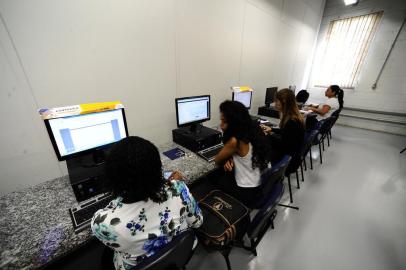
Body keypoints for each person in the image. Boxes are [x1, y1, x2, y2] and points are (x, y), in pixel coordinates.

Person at [91, 136, 203, 269]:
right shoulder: (179, 189)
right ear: (158, 170)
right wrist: (174, 184)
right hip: (181, 254)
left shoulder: (102, 223)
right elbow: (198, 221)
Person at [211, 100, 271, 208]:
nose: (221, 125)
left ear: (234, 123)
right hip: (259, 184)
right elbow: (245, 154)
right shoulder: (253, 128)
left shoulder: (235, 141)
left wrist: (226, 157)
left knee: (212, 178)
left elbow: (217, 160)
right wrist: (230, 158)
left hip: (247, 192)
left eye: (224, 121)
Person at [261, 89, 305, 174]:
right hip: (291, 155)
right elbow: (286, 132)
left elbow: (283, 144)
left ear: (284, 102)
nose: (275, 103)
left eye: (277, 100)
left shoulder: (292, 122)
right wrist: (272, 129)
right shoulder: (294, 117)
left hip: (288, 161)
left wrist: (268, 135)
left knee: (260, 149)